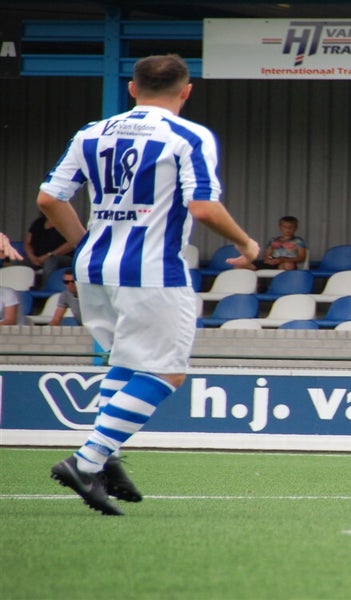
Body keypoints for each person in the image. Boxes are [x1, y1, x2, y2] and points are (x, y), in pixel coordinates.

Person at [37, 54, 259, 516]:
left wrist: (85, 243)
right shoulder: (188, 135)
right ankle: (87, 461)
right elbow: (203, 207)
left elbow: (49, 199)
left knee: (127, 363)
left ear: (133, 88)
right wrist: (246, 242)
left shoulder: (92, 133)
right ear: (186, 91)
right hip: (152, 269)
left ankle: (106, 458)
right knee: (165, 371)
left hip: (95, 269)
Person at [21, 214, 75, 283]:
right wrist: (32, 257)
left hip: (60, 257)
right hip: (37, 257)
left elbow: (71, 244)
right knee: (18, 260)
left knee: (51, 262)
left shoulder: (66, 224)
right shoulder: (39, 222)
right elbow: (27, 243)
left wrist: (49, 255)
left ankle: (46, 286)